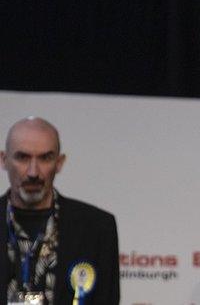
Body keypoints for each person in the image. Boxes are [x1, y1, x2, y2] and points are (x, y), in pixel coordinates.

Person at [0, 116, 120, 304]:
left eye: (45, 158)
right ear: (4, 160)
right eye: (22, 157)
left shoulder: (97, 227)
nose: (33, 172)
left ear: (59, 162)